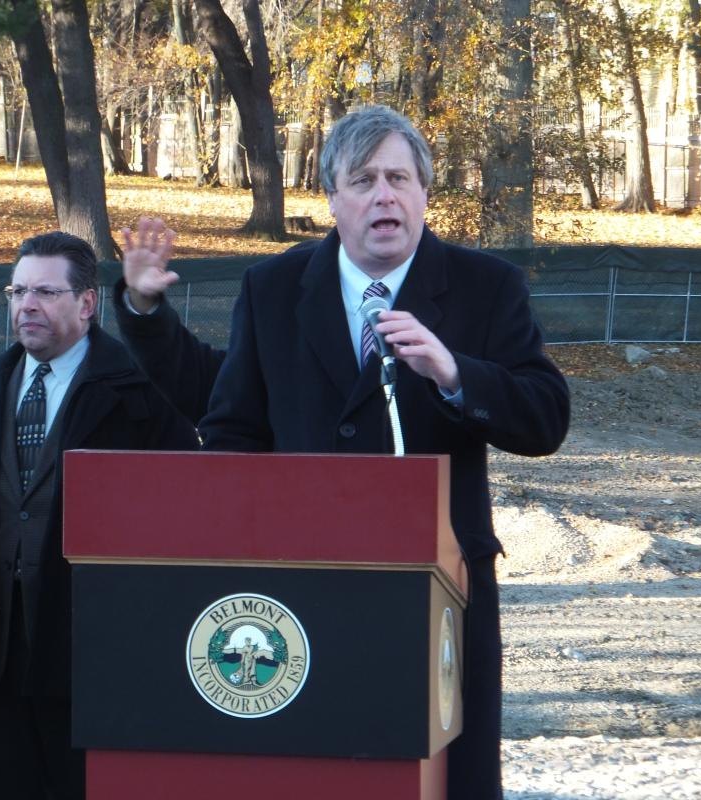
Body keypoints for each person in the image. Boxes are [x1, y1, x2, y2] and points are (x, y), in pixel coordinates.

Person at [115, 107, 571, 800]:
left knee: (446, 777)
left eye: (398, 178)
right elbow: (234, 429)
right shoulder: (273, 289)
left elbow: (545, 419)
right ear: (332, 198)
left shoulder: (486, 286)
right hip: (303, 590)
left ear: (423, 192)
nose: (384, 195)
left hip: (442, 591)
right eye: (363, 181)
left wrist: (454, 373)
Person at [0, 231, 198, 800]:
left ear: (87, 303)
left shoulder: (138, 394)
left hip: (95, 656)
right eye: (17, 292)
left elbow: (186, 508)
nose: (27, 306)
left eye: (45, 293)